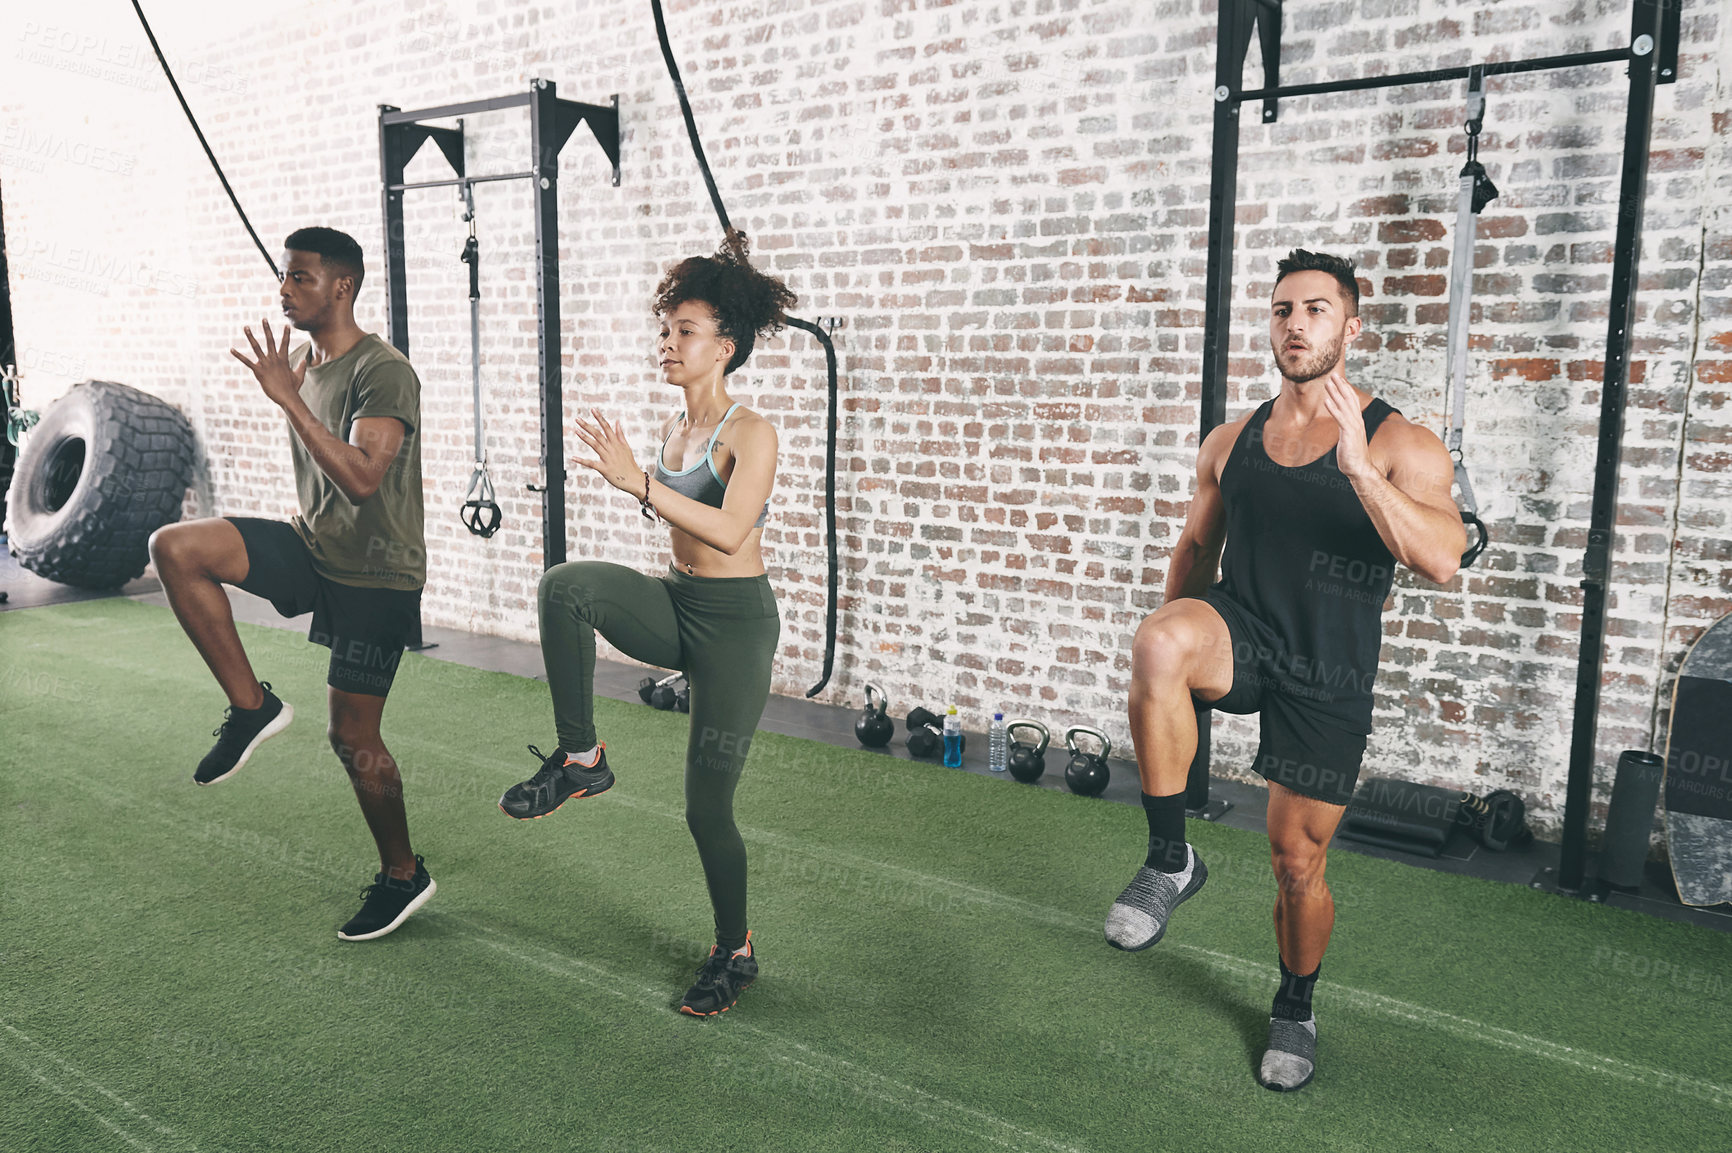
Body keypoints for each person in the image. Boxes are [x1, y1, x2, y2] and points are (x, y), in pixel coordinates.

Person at [1108, 249, 1465, 1090]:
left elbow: (1443, 557)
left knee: (1296, 863)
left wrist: (1358, 470)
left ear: (1350, 326)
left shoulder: (1401, 442)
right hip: (1244, 630)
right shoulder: (1234, 439)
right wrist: (1170, 674)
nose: (1295, 324)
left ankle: (1296, 1005)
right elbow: (1197, 548)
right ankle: (1170, 859)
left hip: (1329, 669)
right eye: (1281, 311)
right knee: (1158, 639)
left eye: (1314, 310)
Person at [498, 230, 791, 1017]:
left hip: (734, 627)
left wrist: (637, 483)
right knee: (565, 588)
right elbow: (683, 534)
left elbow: (731, 531)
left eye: (685, 332)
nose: (668, 343)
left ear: (724, 347)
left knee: (706, 807)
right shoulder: (675, 428)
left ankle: (735, 949)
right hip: (678, 602)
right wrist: (641, 476)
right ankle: (580, 758)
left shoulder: (751, 432)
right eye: (666, 330)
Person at [148, 226, 434, 942]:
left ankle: (404, 873)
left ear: (341, 286)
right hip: (314, 547)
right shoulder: (305, 361)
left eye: (300, 278)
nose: (284, 289)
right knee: (176, 547)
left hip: (378, 576)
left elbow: (365, 479)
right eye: (285, 276)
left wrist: (290, 400)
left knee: (352, 734)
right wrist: (293, 388)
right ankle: (251, 707)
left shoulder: (383, 369)